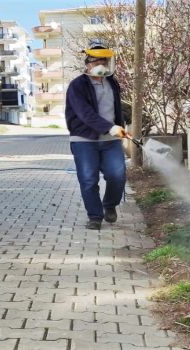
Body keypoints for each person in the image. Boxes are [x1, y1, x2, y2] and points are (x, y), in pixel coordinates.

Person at [65, 44, 129, 230]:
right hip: (84, 140)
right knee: (88, 179)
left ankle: (109, 205)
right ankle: (95, 216)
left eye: (105, 61)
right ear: (88, 63)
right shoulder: (77, 85)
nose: (102, 65)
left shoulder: (112, 83)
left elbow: (116, 109)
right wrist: (109, 127)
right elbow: (85, 114)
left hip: (110, 141)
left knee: (117, 175)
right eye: (97, 61)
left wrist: (120, 126)